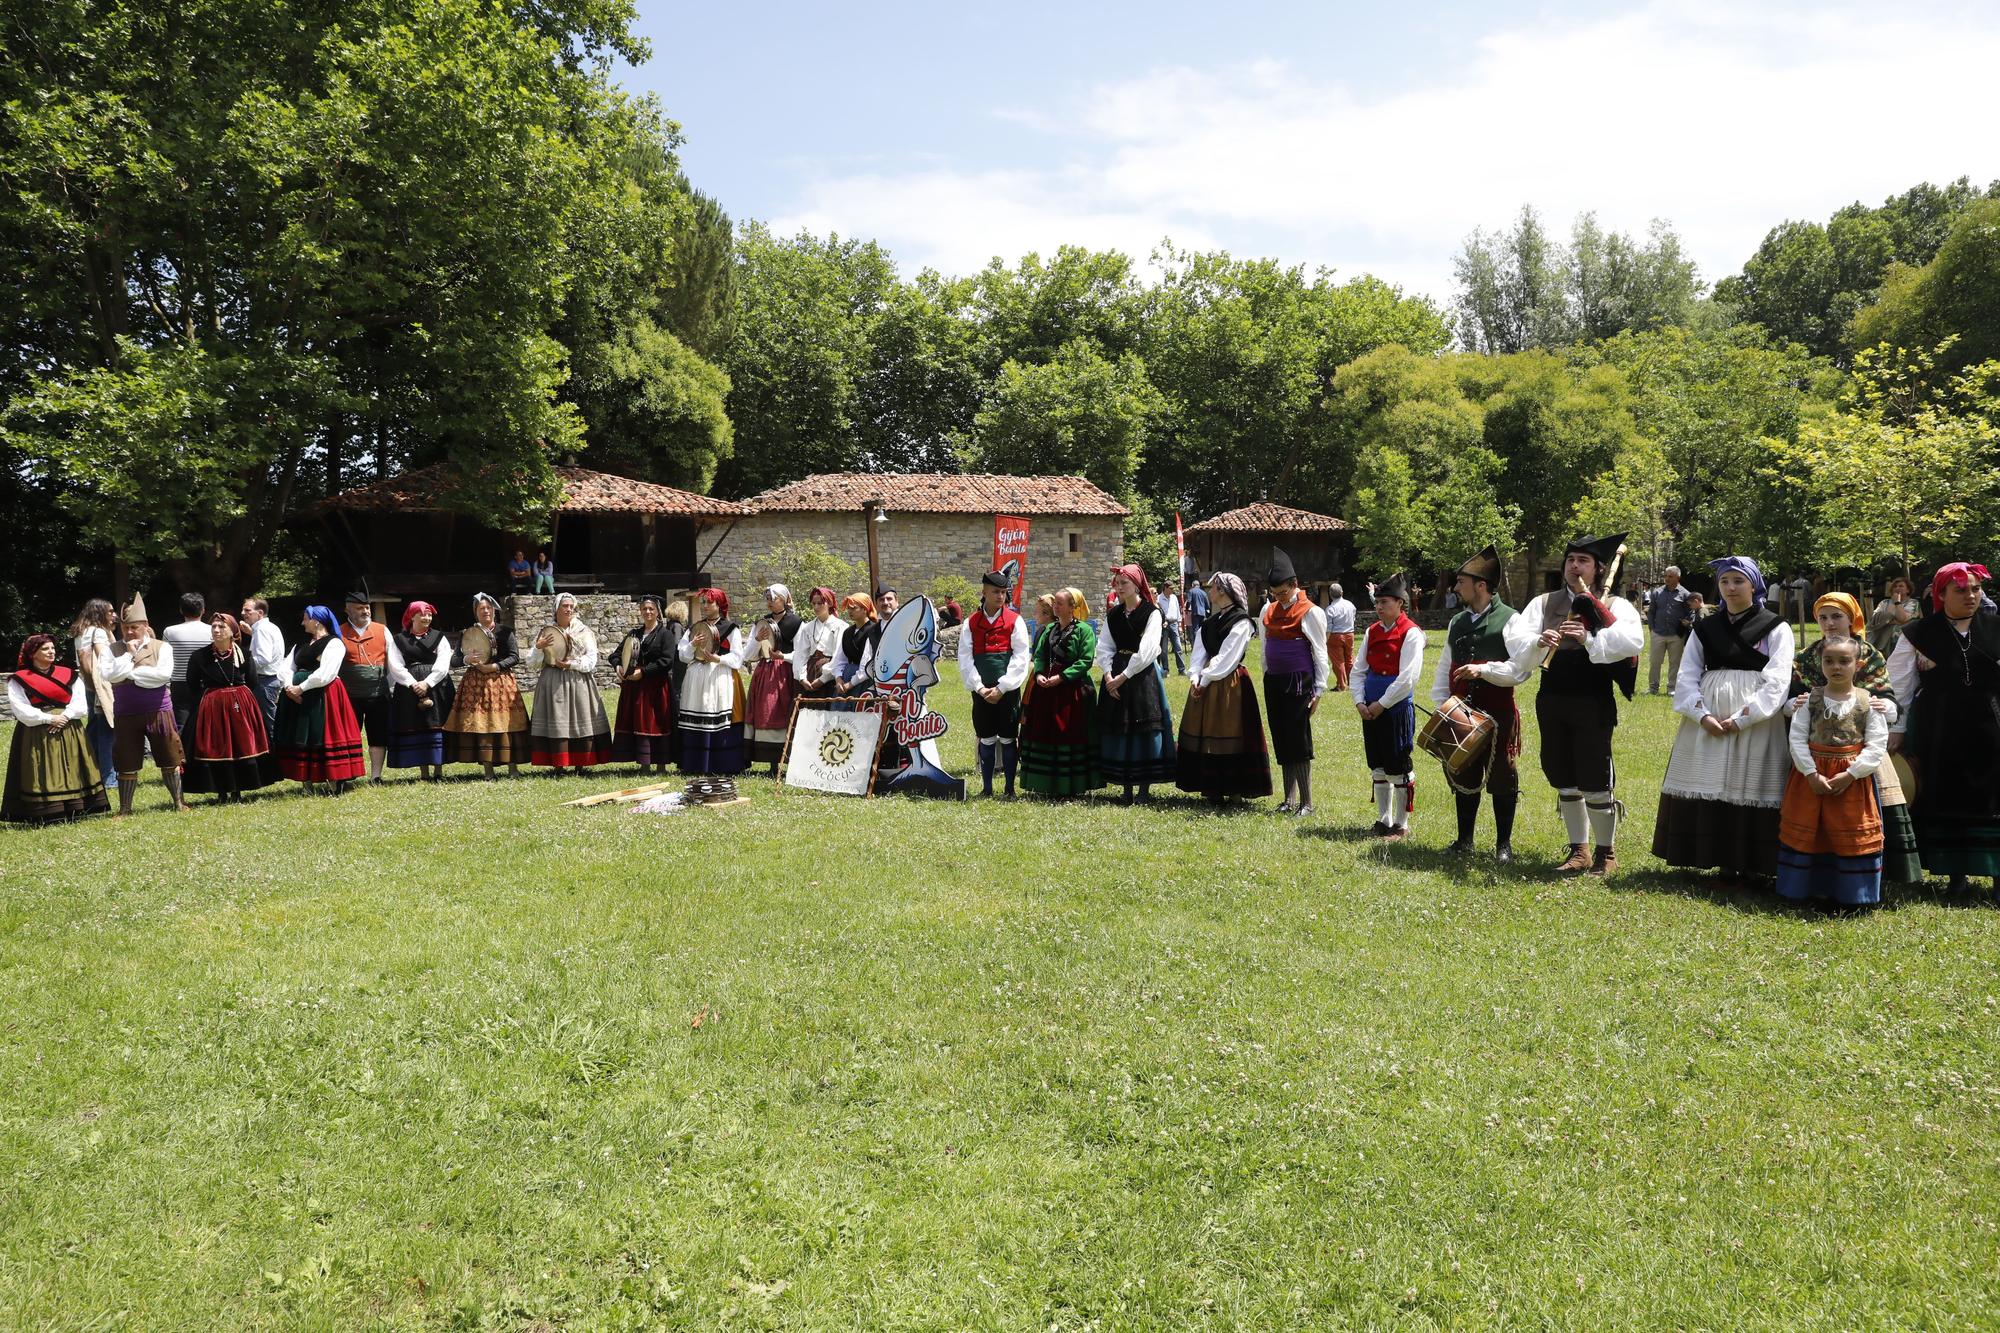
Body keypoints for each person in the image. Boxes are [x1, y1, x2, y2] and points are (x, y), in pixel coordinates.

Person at [1653, 556, 1796, 883]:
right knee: (1711, 779)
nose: (1730, 588)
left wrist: (1744, 718)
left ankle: (1750, 862)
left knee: (1750, 782)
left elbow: (1778, 680)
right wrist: (1701, 714)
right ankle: (1711, 856)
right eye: (1724, 582)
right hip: (1709, 718)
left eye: (1738, 581)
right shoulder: (1705, 626)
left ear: (1753, 584)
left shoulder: (1776, 626)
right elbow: (1687, 674)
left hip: (1757, 721)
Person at [1518, 534, 1644, 875]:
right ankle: (1579, 851)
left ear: (1599, 569)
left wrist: (1588, 637)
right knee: (1563, 776)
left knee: (1595, 776)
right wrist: (1537, 640)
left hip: (1592, 698)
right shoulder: (1544, 603)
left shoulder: (1615, 605)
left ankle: (1607, 853)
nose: (1575, 566)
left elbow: (1632, 642)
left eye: (1583, 561)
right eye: (1571, 559)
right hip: (1552, 697)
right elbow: (1516, 640)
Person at [1786, 591, 1920, 886]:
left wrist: (1885, 706)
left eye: (1837, 616)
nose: (1830, 623)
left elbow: (1885, 695)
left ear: (1851, 619)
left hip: (1861, 747)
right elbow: (1794, 696)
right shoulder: (1808, 656)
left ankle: (1873, 876)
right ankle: (1814, 878)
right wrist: (1795, 704)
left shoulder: (1869, 654)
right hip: (1817, 746)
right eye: (1823, 617)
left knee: (1868, 811)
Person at [1889, 561, 1998, 893]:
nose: (1971, 596)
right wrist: (1898, 728)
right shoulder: (1918, 633)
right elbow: (1900, 685)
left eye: (1976, 589)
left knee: (1993, 796)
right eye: (1961, 590)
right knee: (1945, 793)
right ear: (1941, 593)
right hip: (1939, 725)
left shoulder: (1996, 627)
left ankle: (1996, 873)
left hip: (1990, 723)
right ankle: (1955, 874)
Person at [1432, 546, 1528, 862]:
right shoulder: (1457, 622)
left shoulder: (1510, 620)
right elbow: (1445, 664)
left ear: (1481, 586)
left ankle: (1504, 846)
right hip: (1461, 712)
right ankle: (1464, 840)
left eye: (1461, 582)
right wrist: (1441, 706)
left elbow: (1520, 670)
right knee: (1463, 773)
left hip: (1498, 713)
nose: (1456, 588)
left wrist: (1484, 670)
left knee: (1503, 776)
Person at [1777, 637, 1888, 909]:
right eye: (1829, 661)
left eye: (1844, 661)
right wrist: (1811, 774)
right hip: (1812, 778)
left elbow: (1877, 744)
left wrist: (1851, 774)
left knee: (1849, 830)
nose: (1836, 667)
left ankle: (1853, 895)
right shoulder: (1810, 700)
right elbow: (1798, 738)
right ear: (1820, 664)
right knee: (1810, 829)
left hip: (1852, 781)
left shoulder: (1867, 703)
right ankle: (1807, 890)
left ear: (1858, 664)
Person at [1176, 572, 1272, 803]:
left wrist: (1205, 679)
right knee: (1207, 732)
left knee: (1229, 732)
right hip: (1207, 683)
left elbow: (1228, 657)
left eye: (1214, 587)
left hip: (1230, 683)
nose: (1210, 590)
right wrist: (1195, 678)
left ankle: (1235, 789)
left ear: (1223, 591)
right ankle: (1211, 788)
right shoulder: (1209, 622)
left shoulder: (1241, 622)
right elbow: (1199, 655)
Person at [3, 634, 109, 824]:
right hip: (37, 732)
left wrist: (65, 716)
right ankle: (47, 811)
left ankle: (78, 808)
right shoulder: (19, 679)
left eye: (52, 648)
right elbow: (20, 708)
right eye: (45, 649)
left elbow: (80, 702)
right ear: (33, 653)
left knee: (73, 764)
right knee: (41, 767)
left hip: (69, 728)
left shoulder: (69, 674)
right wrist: (48, 718)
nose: (51, 651)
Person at [98, 594, 188, 814]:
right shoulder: (112, 650)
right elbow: (109, 675)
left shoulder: (162, 647)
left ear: (146, 625)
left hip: (158, 711)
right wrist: (129, 657)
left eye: (134, 627)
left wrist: (131, 674)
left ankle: (178, 802)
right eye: (126, 627)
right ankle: (125, 809)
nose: (129, 632)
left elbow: (163, 675)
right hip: (126, 713)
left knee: (169, 756)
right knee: (126, 760)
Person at [1095, 564, 1177, 804]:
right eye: (1117, 584)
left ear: (1137, 585)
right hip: (1117, 672)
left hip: (1141, 676)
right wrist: (1109, 675)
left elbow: (1149, 649)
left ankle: (1143, 790)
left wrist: (1123, 676)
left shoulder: (1152, 613)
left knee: (1143, 728)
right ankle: (1126, 787)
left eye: (1124, 584)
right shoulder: (1114, 614)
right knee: (1120, 728)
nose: (1119, 588)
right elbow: (1105, 646)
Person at [180, 613, 280, 802]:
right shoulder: (200, 657)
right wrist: (212, 700)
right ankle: (221, 790)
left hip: (240, 707)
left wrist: (236, 697)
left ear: (233, 632)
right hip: (212, 707)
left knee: (241, 745)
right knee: (216, 746)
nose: (216, 630)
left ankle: (238, 789)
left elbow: (252, 681)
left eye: (221, 627)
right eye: (214, 627)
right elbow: (192, 684)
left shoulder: (244, 654)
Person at [1263, 547, 1330, 817]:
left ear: (1294, 585)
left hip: (1299, 681)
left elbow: (1320, 651)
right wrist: (1267, 675)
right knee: (1281, 737)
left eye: (1283, 593)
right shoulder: (1269, 611)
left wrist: (1319, 689)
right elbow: (1266, 644)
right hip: (1275, 681)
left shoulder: (1310, 612)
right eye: (1275, 594)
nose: (1279, 598)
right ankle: (1288, 799)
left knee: (1298, 740)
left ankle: (1307, 802)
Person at [272, 604, 367, 791]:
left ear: (317, 621)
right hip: (296, 694)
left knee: (321, 735)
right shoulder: (301, 643)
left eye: (306, 618)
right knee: (302, 735)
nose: (302, 622)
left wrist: (301, 688)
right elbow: (286, 667)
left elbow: (326, 673)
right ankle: (305, 783)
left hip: (323, 695)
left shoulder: (334, 643)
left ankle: (334, 781)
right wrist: (289, 687)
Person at [1018, 587, 1101, 797]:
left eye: (1060, 603)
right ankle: (1044, 783)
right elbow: (1039, 656)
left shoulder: (1084, 631)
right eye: (1055, 603)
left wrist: (1062, 677)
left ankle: (1070, 785)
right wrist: (1038, 675)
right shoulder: (1049, 630)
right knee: (1045, 731)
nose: (1055, 606)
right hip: (1045, 689)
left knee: (1068, 733)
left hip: (1072, 691)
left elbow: (1085, 660)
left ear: (1072, 607)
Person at [1357, 572, 1421, 838]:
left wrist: (1381, 704)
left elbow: (1407, 678)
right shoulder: (1372, 632)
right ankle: (1383, 820)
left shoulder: (1411, 633)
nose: (1379, 606)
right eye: (1378, 602)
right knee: (1378, 766)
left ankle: (1401, 823)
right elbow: (1358, 670)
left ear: (1400, 604)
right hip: (1370, 711)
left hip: (1394, 711)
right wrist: (1360, 702)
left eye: (1385, 601)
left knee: (1398, 765)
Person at [958, 571, 1032, 797]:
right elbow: (965, 658)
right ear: (984, 592)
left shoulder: (1014, 620)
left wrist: (1002, 688)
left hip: (1007, 691)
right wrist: (980, 688)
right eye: (995, 592)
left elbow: (1021, 657)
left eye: (1003, 592)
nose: (1000, 596)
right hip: (981, 691)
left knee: (1009, 736)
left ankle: (1009, 789)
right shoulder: (971, 622)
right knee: (986, 737)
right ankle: (987, 788)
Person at [442, 592, 530, 779]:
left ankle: (513, 769)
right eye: (481, 608)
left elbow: (515, 657)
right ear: (476, 612)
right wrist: (467, 658)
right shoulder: (468, 633)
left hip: (501, 682)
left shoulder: (505, 632)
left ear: (494, 610)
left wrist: (495, 666)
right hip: (476, 686)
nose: (486, 611)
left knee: (508, 723)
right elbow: (455, 660)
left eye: (488, 608)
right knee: (482, 726)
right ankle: (488, 771)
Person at [527, 591, 612, 771]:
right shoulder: (546, 633)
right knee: (556, 721)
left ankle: (581, 764)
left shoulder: (583, 631)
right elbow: (532, 663)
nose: (568, 609)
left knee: (580, 719)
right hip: (552, 682)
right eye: (564, 606)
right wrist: (538, 648)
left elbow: (591, 660)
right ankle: (558, 765)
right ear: (556, 609)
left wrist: (571, 664)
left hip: (578, 680)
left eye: (571, 606)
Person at [676, 588, 748, 775]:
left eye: (709, 602)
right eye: (704, 602)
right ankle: (694, 764)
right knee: (696, 716)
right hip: (696, 678)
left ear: (720, 605)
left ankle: (722, 764)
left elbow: (738, 658)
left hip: (718, 677)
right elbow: (683, 655)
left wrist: (718, 659)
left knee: (716, 715)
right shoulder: (695, 627)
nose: (705, 606)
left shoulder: (731, 628)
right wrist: (693, 644)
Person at [608, 595, 677, 775]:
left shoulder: (666, 634)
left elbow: (667, 660)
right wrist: (618, 667)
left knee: (657, 722)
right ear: (640, 611)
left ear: (657, 612)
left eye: (651, 609)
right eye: (644, 609)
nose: (647, 612)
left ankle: (661, 764)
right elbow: (615, 654)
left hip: (656, 686)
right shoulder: (634, 634)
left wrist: (644, 672)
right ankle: (643, 763)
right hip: (635, 688)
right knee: (637, 722)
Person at [388, 601, 456, 781]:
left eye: (429, 615)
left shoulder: (439, 637)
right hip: (408, 690)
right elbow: (395, 666)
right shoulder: (399, 640)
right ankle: (423, 771)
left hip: (436, 687)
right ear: (412, 616)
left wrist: (427, 683)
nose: (427, 618)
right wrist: (413, 684)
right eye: (423, 614)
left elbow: (443, 663)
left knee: (436, 723)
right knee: (416, 725)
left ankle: (438, 770)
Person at [744, 584, 801, 773]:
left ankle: (786, 758)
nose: (769, 602)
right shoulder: (762, 623)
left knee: (781, 711)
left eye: (773, 599)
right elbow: (749, 655)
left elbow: (801, 652)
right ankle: (770, 761)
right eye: (767, 599)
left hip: (784, 671)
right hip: (765, 671)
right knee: (764, 712)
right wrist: (757, 639)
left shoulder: (796, 622)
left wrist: (783, 657)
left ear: (783, 599)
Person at [68, 598, 119, 797]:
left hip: (91, 687)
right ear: (99, 613)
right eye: (110, 612)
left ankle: (84, 769)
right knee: (107, 730)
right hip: (99, 687)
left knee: (95, 729)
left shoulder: (84, 631)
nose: (113, 615)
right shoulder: (97, 632)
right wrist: (96, 686)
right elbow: (87, 661)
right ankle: (108, 777)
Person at [162, 592, 211, 742]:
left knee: (181, 723)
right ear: (203, 610)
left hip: (179, 682)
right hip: (205, 683)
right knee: (206, 721)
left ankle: (182, 759)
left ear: (181, 610)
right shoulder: (212, 631)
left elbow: (165, 658)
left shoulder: (170, 631)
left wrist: (166, 684)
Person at [238, 597, 286, 736]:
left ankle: (274, 755)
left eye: (247, 610)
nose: (242, 613)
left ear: (259, 613)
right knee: (267, 722)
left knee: (267, 724)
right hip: (268, 681)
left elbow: (263, 658)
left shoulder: (261, 630)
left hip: (265, 682)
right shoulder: (267, 627)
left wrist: (241, 664)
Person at [1645, 565, 1695, 694]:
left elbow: (1690, 612)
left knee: (1675, 663)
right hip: (1658, 633)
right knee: (1655, 662)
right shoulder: (1657, 592)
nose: (1666, 578)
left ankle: (1672, 688)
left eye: (1670, 576)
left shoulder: (1685, 594)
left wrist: (1687, 622)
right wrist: (1651, 628)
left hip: (1676, 635)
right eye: (1665, 576)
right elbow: (1651, 612)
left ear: (1678, 578)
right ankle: (1653, 688)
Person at [792, 587, 845, 702]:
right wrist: (802, 677)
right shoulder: (808, 627)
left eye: (820, 603)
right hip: (810, 674)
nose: (816, 607)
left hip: (830, 676)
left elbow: (838, 655)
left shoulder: (840, 626)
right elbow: (801, 654)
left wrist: (823, 679)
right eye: (813, 603)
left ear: (829, 603)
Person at [832, 593, 877, 695]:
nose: (850, 611)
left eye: (853, 608)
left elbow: (867, 664)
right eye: (848, 608)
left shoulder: (873, 630)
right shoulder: (847, 632)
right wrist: (838, 679)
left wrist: (851, 684)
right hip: (845, 678)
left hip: (865, 681)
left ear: (864, 609)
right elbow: (840, 659)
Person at [1868, 577, 1922, 657]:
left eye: (1901, 586)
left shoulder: (1913, 603)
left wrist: (1897, 602)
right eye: (1895, 586)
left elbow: (1902, 618)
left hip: (1903, 641)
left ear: (1908, 590)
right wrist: (1896, 620)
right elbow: (1875, 619)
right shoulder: (1884, 603)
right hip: (1881, 637)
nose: (1897, 588)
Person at [1322, 582, 1356, 692]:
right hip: (1350, 634)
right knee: (1349, 659)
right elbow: (1353, 618)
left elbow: (1329, 628)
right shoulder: (1351, 605)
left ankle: (1342, 685)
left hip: (1335, 636)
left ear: (1330, 594)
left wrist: (1325, 640)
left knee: (1338, 662)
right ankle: (1353, 683)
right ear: (1342, 592)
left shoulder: (1330, 609)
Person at [1157, 583, 1186, 675]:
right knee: (1164, 649)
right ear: (1165, 588)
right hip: (1164, 625)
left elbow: (1177, 611)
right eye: (1171, 588)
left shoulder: (1173, 597)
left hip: (1174, 624)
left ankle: (1181, 669)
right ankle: (1166, 670)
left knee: (1178, 647)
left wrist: (1180, 625)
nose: (1172, 590)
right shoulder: (1158, 598)